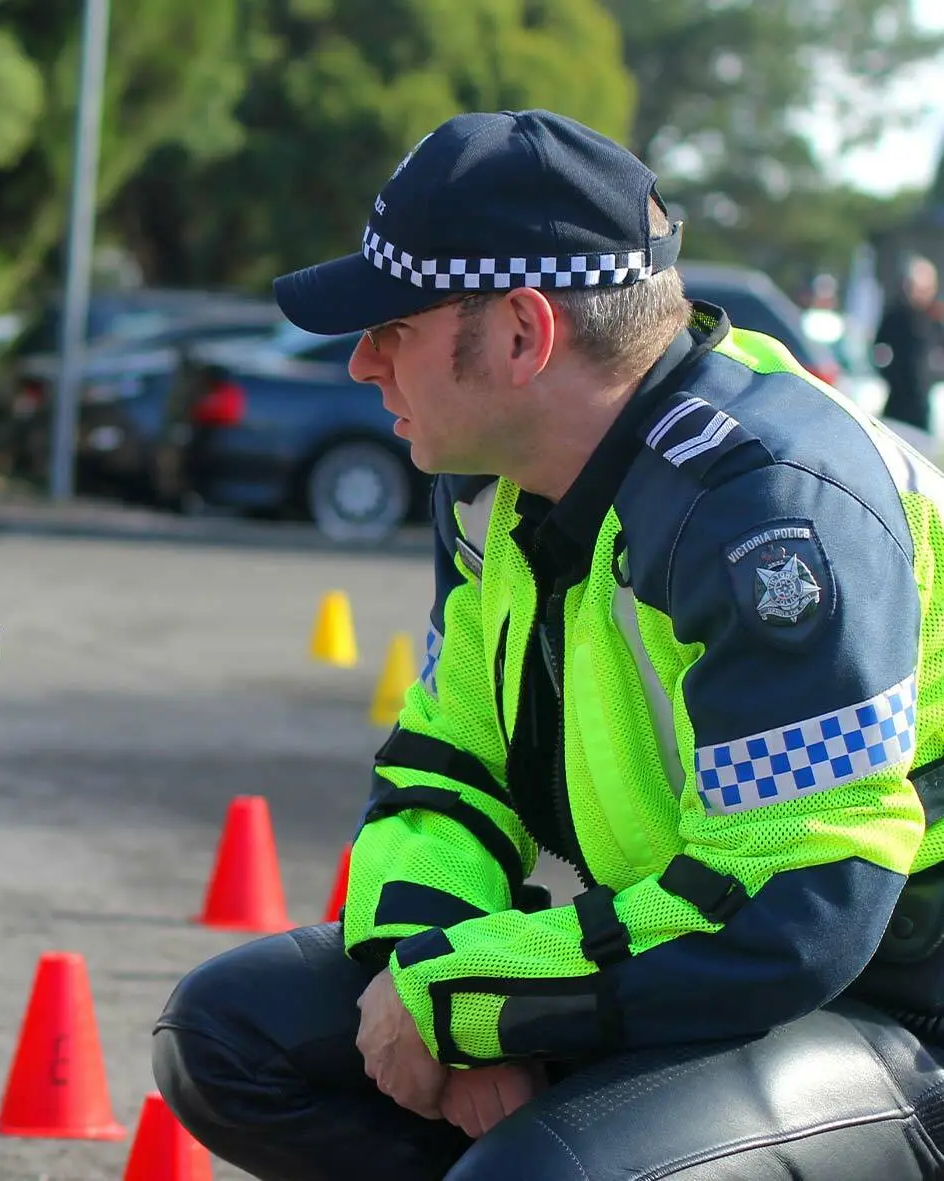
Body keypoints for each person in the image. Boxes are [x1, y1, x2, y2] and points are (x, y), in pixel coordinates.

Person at [149, 108, 944, 1179]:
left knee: (537, 1174)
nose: (361, 363)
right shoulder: (492, 480)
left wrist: (466, 998)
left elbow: (795, 907)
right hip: (702, 952)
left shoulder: (768, 511)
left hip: (885, 996)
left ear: (523, 333)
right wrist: (438, 982)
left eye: (394, 325)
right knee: (224, 1037)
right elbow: (446, 765)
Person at [876, 253, 941, 431]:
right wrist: (889, 373)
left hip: (924, 403)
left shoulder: (935, 319)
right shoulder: (895, 317)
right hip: (897, 401)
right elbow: (879, 349)